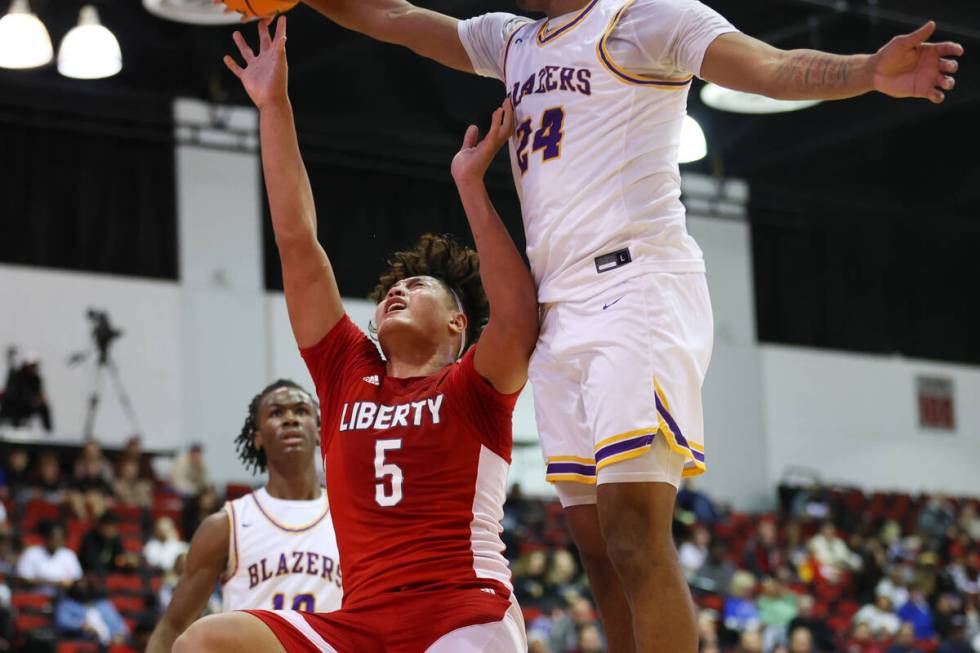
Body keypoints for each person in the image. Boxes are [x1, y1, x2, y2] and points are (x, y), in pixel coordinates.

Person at [289, 0, 963, 650]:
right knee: (595, 545)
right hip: (559, 308)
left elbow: (765, 64)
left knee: (634, 526)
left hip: (634, 285)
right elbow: (394, 17)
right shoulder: (512, 40)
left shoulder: (644, 19)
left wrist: (864, 71)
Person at [175, 14, 537, 652]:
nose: (396, 290)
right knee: (206, 642)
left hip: (462, 611)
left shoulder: (476, 386)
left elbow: (516, 315)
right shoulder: (348, 371)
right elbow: (296, 240)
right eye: (390, 292)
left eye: (420, 288)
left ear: (458, 324)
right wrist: (274, 104)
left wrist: (471, 186)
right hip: (358, 622)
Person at [147, 380, 343, 653]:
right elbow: (172, 626)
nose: (290, 419)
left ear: (320, 430)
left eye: (301, 411)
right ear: (258, 437)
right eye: (276, 413)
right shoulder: (227, 524)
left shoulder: (349, 516)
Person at [16, 520, 83, 594]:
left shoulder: (69, 555)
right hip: (36, 596)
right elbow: (23, 579)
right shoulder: (31, 553)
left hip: (63, 597)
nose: (56, 543)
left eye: (59, 540)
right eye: (53, 539)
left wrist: (68, 583)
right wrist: (55, 583)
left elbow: (77, 579)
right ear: (46, 538)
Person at [0, 352, 52, 432]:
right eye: (32, 365)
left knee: (44, 407)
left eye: (35, 365)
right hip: (13, 406)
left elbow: (39, 394)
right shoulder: (17, 376)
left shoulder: (36, 379)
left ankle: (49, 433)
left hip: (27, 407)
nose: (34, 368)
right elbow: (12, 393)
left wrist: (40, 399)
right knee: (16, 403)